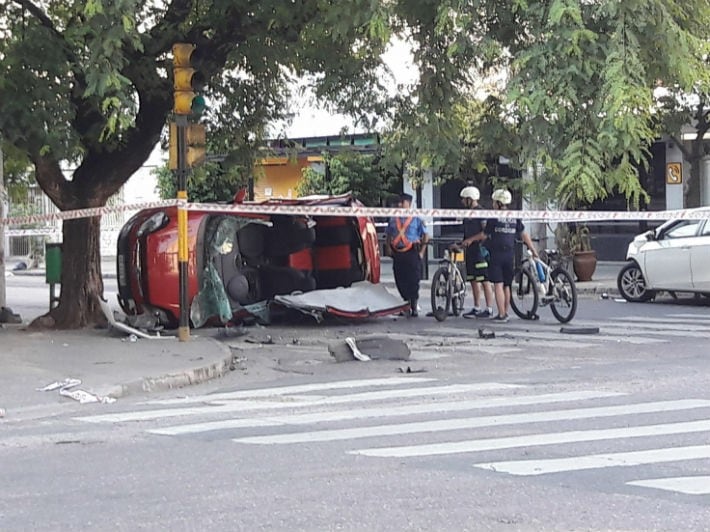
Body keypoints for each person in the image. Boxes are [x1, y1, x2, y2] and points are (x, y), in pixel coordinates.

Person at [482, 189, 538, 322]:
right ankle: (505, 312)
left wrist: (473, 240)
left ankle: (501, 315)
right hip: (510, 254)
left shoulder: (493, 217)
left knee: (498, 284)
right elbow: (524, 234)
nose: (493, 204)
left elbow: (485, 234)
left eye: (494, 202)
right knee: (507, 285)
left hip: (496, 253)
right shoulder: (514, 216)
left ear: (499, 203)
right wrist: (533, 250)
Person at [385, 193, 430, 317]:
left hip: (412, 252)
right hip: (398, 253)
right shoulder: (394, 218)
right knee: (400, 279)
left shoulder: (417, 218)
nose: (400, 205)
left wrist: (422, 252)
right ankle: (405, 303)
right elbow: (388, 234)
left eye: (403, 202)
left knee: (413, 279)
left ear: (409, 204)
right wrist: (388, 247)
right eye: (399, 202)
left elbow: (426, 235)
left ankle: (413, 305)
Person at [458, 186, 494, 319]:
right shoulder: (467, 215)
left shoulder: (481, 213)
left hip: (481, 251)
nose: (462, 201)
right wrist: (462, 243)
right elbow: (467, 233)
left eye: (464, 199)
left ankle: (489, 308)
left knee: (484, 280)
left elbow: (485, 234)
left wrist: (471, 240)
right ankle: (476, 307)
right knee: (473, 280)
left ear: (470, 199)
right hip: (470, 251)